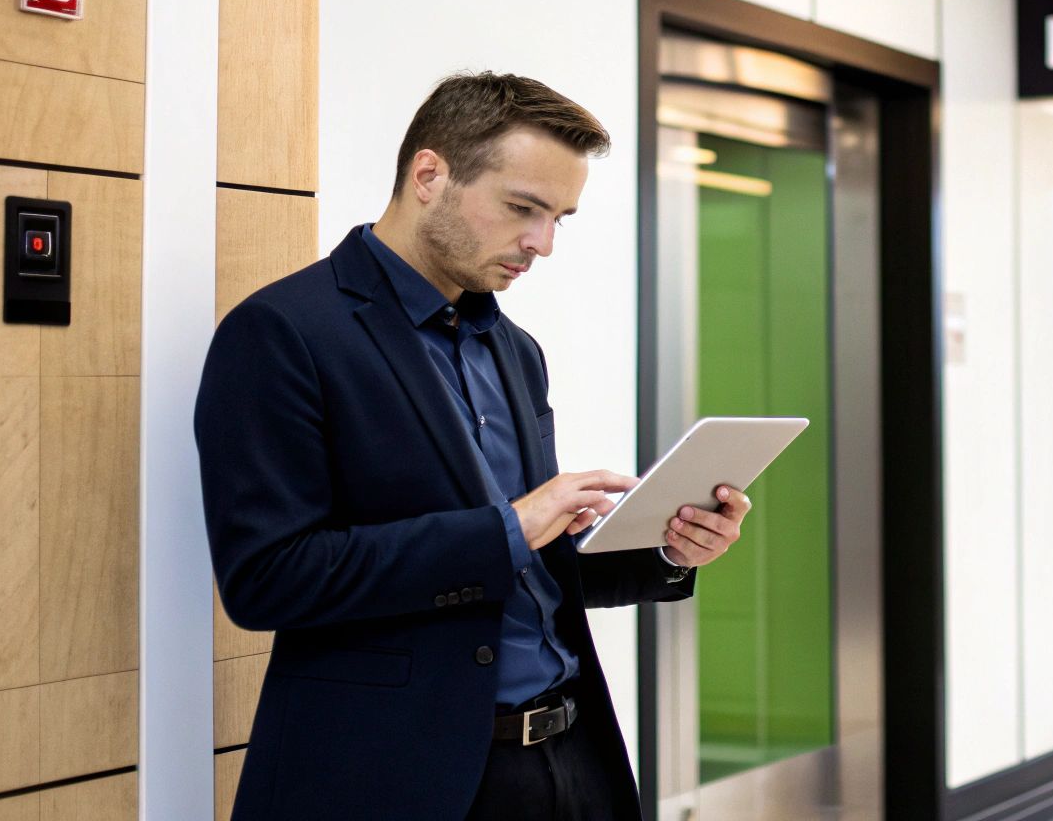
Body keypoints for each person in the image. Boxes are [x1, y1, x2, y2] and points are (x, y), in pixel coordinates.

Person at [196, 71, 751, 820]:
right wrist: (510, 527)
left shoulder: (515, 350)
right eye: (523, 208)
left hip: (568, 759)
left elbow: (529, 573)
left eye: (560, 217)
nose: (543, 244)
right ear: (430, 175)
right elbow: (268, 579)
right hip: (396, 778)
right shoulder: (284, 333)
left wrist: (668, 551)